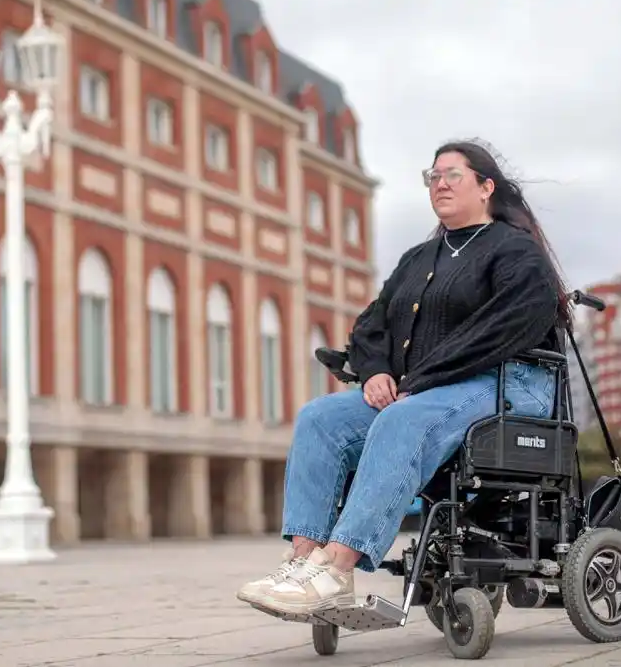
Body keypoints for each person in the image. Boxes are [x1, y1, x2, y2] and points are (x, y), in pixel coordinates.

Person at [237, 139, 569, 617]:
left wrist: (421, 380)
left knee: (401, 419)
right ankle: (305, 561)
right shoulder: (418, 259)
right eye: (432, 176)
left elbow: (501, 330)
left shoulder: (516, 252)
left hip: (511, 384)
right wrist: (375, 372)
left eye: (453, 174)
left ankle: (337, 565)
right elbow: (373, 324)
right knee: (321, 418)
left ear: (485, 187)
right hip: (427, 389)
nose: (440, 183)